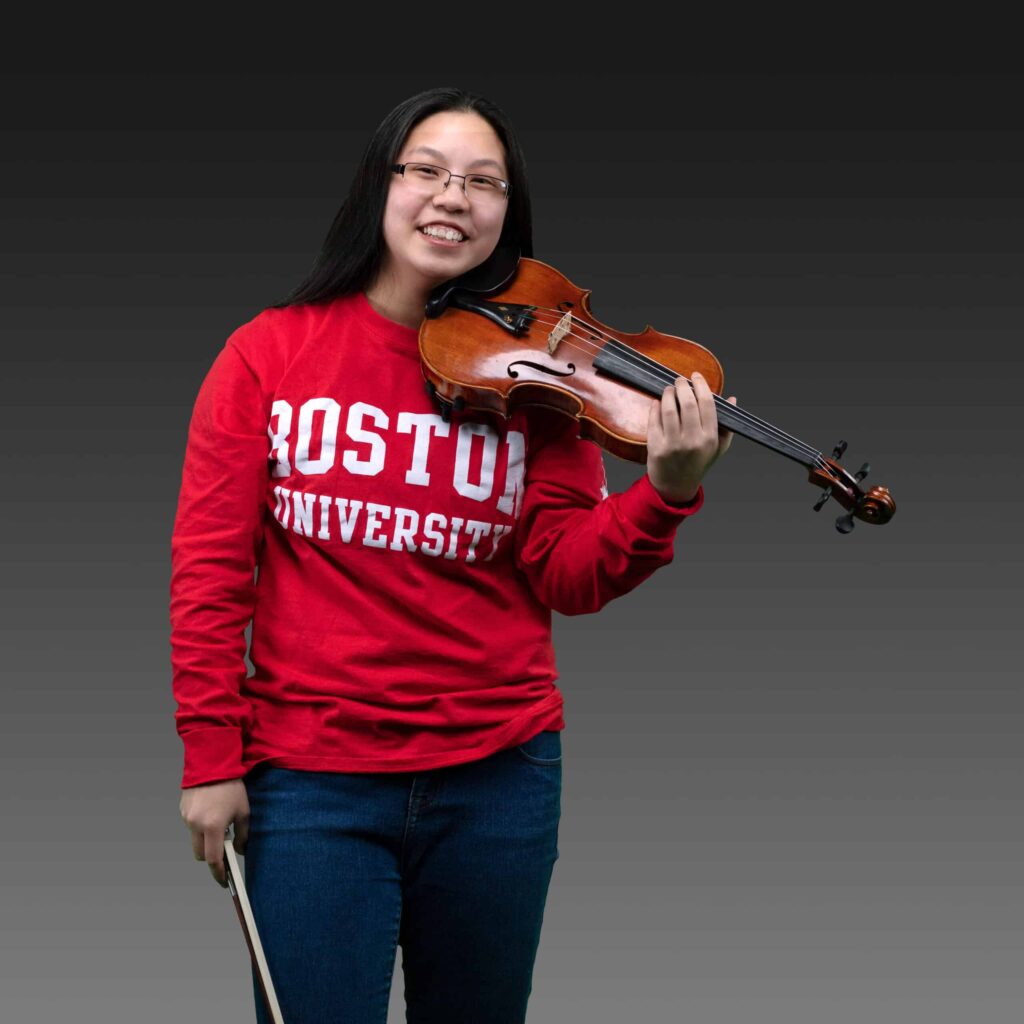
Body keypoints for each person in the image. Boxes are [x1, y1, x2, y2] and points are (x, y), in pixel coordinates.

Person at [171, 85, 737, 1024]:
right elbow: (209, 570)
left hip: (499, 781)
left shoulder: (541, 382)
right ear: (379, 186)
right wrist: (207, 756)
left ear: (506, 214)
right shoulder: (268, 354)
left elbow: (568, 572)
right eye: (427, 170)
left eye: (483, 182)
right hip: (310, 782)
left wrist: (666, 493)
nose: (453, 197)